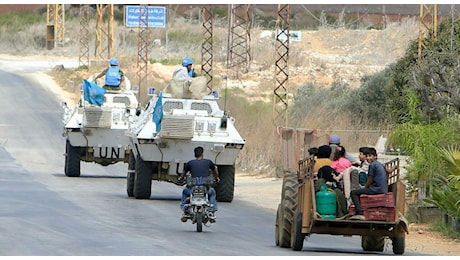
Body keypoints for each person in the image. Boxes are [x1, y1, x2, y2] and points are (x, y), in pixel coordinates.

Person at [178, 146, 219, 222]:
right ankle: (211, 210)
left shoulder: (190, 163)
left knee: (185, 191)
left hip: (193, 189)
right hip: (205, 188)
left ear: (194, 154)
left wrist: (181, 178)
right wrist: (216, 178)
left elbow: (183, 174)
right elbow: (215, 171)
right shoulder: (208, 162)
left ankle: (185, 209)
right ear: (202, 153)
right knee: (212, 192)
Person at [349, 147, 388, 220]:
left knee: (353, 193)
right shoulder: (379, 164)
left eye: (370, 156)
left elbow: (370, 178)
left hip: (377, 189)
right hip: (382, 188)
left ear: (375, 156)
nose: (368, 158)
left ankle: (359, 212)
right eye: (366, 156)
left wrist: (366, 187)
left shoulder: (372, 165)